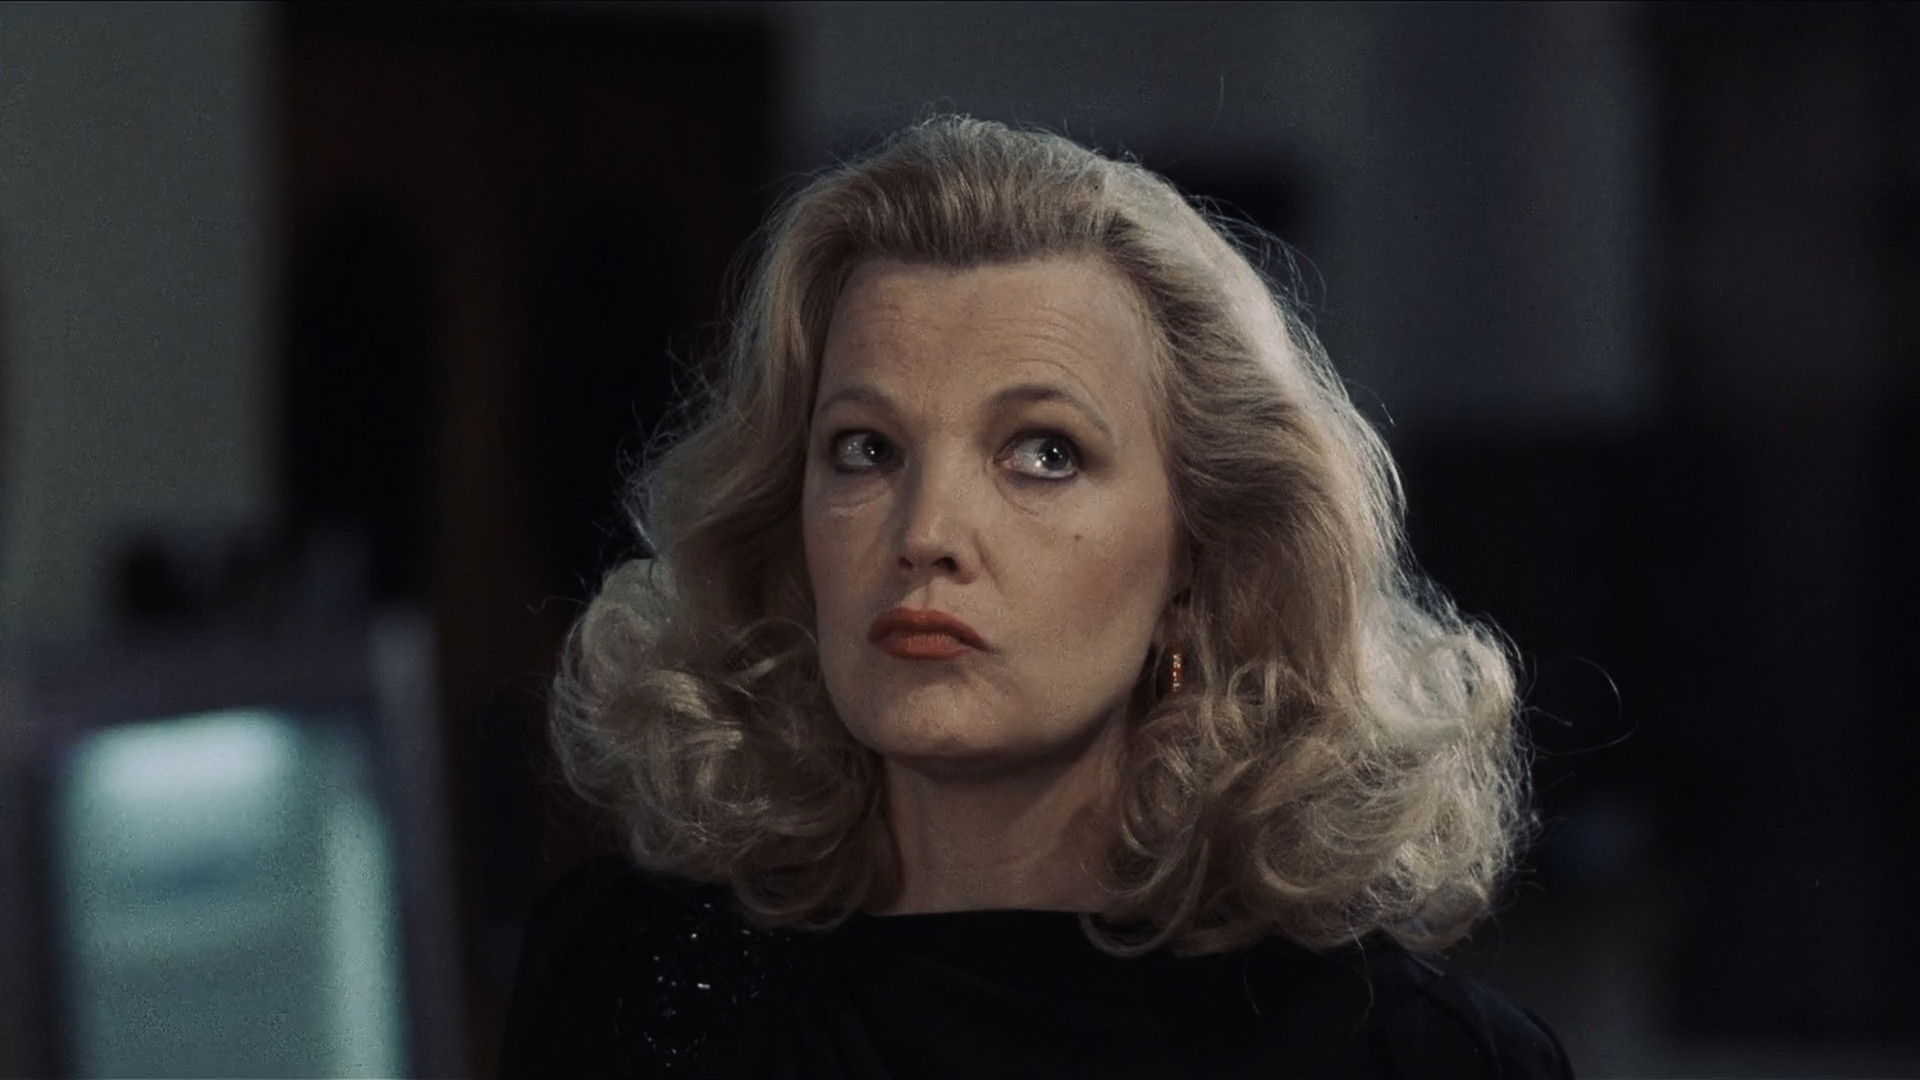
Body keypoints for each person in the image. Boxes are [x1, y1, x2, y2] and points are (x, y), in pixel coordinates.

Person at [499, 114, 1574, 1079]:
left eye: (1043, 454)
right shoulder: (622, 978)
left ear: (1200, 554)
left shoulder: (1417, 1056)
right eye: (866, 449)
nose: (924, 534)